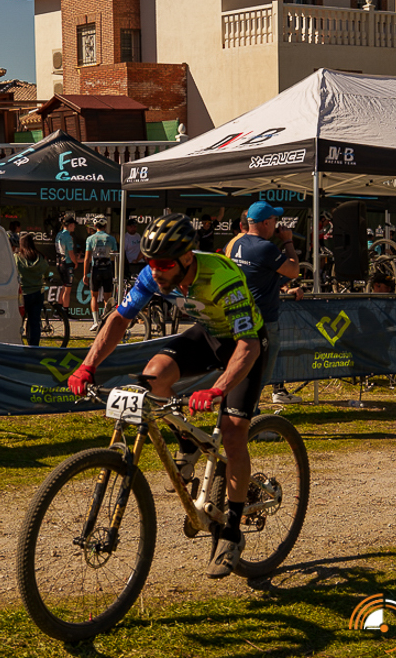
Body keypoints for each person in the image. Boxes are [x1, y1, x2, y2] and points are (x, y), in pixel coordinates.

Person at [67, 213, 266, 579]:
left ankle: (232, 532)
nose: (155, 271)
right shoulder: (153, 275)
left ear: (187, 258)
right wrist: (87, 366)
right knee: (153, 376)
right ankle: (187, 441)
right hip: (207, 335)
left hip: (245, 345)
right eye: (151, 262)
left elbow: (248, 346)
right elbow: (119, 319)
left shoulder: (222, 277)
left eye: (164, 264)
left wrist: (218, 389)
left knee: (233, 432)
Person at [227, 202, 300, 411]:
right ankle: (247, 415)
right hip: (263, 320)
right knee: (260, 374)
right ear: (266, 223)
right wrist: (288, 241)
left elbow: (257, 276)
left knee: (243, 369)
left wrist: (283, 288)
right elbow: (294, 270)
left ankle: (237, 411)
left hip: (238, 317)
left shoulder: (235, 243)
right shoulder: (265, 248)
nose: (277, 224)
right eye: (275, 220)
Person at [83, 219, 119, 332]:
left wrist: (85, 274)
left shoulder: (90, 239)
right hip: (107, 268)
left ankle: (95, 322)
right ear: (105, 225)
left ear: (94, 226)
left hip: (96, 269)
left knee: (94, 296)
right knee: (107, 298)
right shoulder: (111, 238)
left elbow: (87, 258)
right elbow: (115, 256)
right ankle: (106, 322)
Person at [15, 234, 50, 346]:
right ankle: (34, 346)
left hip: (23, 293)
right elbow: (46, 271)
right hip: (37, 292)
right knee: (34, 321)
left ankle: (18, 343)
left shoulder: (17, 257)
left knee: (18, 321)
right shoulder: (40, 257)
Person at [54, 216, 79, 312]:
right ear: (70, 225)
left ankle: (58, 311)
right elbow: (70, 253)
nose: (74, 227)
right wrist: (75, 262)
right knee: (67, 290)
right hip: (67, 264)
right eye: (74, 225)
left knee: (63, 287)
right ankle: (65, 311)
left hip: (59, 262)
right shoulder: (68, 236)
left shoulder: (59, 234)